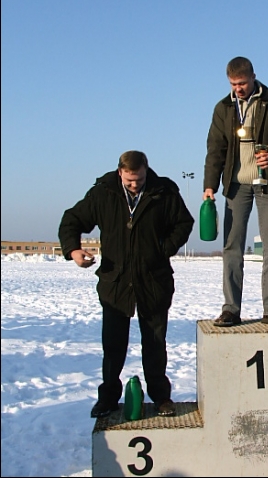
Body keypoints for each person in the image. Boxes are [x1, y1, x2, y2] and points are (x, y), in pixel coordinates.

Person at [58, 151, 194, 418]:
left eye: (139, 179)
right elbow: (71, 220)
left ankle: (161, 397)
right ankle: (108, 398)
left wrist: (163, 249)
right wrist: (73, 250)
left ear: (146, 171)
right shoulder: (103, 193)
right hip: (116, 282)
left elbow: (183, 223)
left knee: (155, 343)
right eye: (129, 180)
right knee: (113, 345)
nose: (134, 184)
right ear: (120, 172)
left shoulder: (163, 191)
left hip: (153, 280)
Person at [203, 56, 268, 327]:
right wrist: (210, 185)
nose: (238, 89)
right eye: (233, 84)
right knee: (232, 247)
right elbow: (215, 148)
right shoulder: (223, 108)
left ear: (253, 77)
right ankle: (230, 309)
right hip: (236, 185)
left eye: (242, 83)